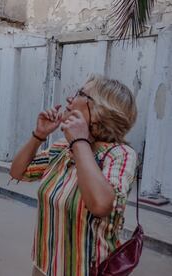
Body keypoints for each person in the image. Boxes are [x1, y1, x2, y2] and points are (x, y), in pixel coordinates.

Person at [10, 75, 138, 276]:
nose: (70, 98)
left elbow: (100, 205)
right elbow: (17, 172)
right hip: (45, 266)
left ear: (100, 110)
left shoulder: (119, 154)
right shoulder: (63, 146)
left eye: (80, 93)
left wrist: (79, 141)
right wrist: (39, 135)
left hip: (88, 270)